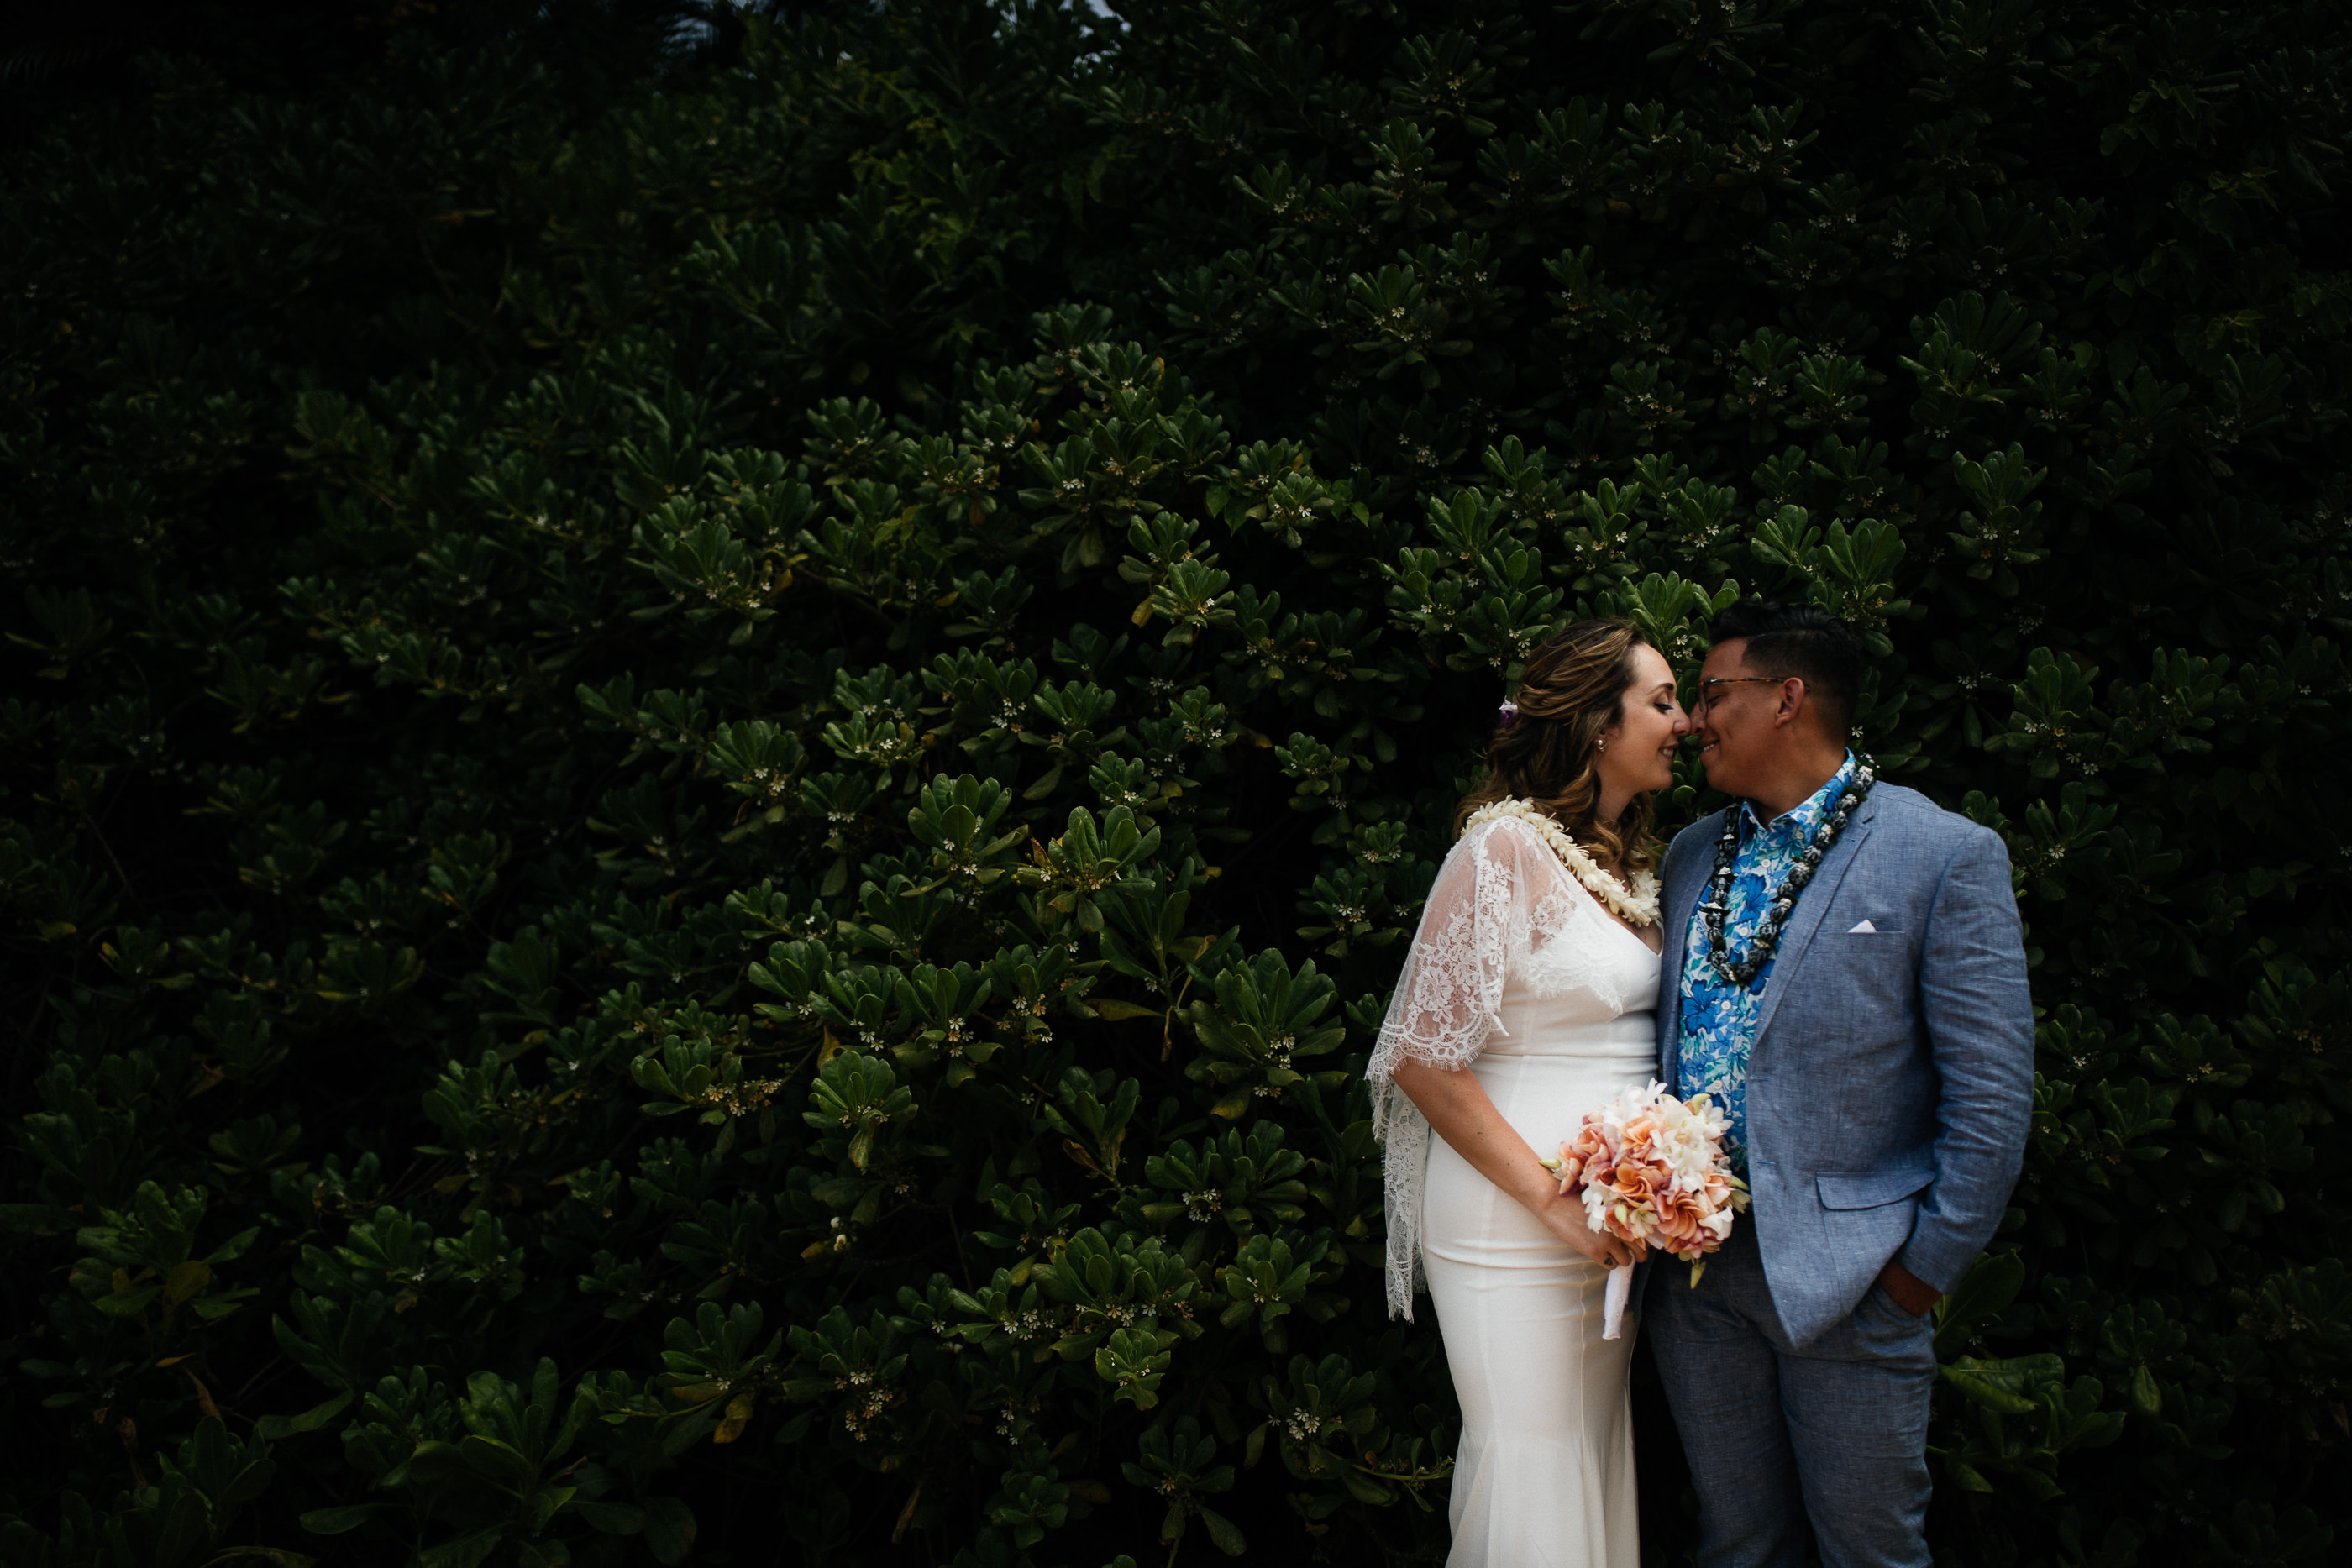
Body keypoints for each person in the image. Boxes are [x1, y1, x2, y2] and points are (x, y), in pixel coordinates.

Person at [1646, 597, 2034, 1568]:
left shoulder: (1940, 854)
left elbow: (1990, 1098)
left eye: (1712, 694)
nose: (1695, 719)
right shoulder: (1691, 854)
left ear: (1788, 697)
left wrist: (1916, 1275)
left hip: (1853, 1280)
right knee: (1737, 1544)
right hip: (1695, 1286)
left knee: (1869, 1550)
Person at [1368, 619, 1689, 1568]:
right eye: (1661, 700)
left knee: (1585, 1454)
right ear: (1597, 721)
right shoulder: (1502, 851)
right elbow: (1421, 1057)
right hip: (1515, 1223)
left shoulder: (1630, 861)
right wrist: (1557, 1203)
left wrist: (1647, 1188)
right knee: (1533, 1461)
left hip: (1611, 1222)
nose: (1682, 723)